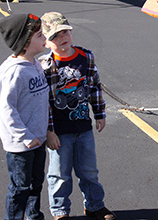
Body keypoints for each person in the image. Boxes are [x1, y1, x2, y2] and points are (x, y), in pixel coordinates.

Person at [40, 12, 116, 220]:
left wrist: (99, 113)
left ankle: (94, 205)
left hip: (83, 128)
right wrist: (49, 131)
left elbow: (94, 87)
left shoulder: (86, 57)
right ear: (46, 42)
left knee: (89, 171)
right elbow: (43, 101)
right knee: (59, 174)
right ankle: (60, 211)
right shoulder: (44, 66)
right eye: (55, 36)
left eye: (65, 32)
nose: (62, 38)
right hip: (59, 132)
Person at [0, 13, 50, 220]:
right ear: (25, 43)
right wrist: (26, 137)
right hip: (22, 144)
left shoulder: (34, 64)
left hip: (38, 139)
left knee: (36, 182)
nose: (44, 36)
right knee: (20, 188)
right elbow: (7, 110)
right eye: (39, 35)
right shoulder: (13, 73)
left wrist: (43, 132)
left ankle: (34, 215)